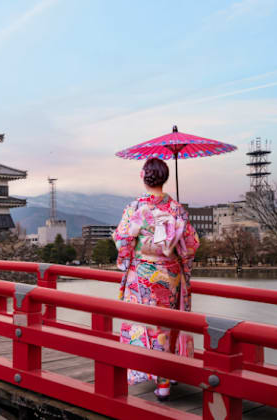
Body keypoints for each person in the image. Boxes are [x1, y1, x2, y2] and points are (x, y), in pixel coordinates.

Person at [112, 157, 200, 401]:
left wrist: (129, 256)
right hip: (169, 274)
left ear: (143, 176)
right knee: (167, 325)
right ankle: (164, 383)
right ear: (165, 178)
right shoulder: (176, 208)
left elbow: (122, 240)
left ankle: (142, 371)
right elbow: (191, 245)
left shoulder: (135, 207)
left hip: (141, 274)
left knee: (143, 323)